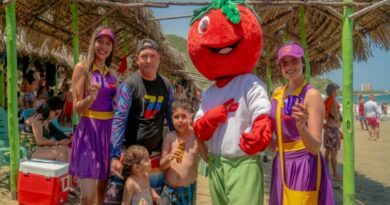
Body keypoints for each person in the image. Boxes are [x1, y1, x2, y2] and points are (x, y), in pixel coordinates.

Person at [105, 38, 174, 204]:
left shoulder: (166, 86)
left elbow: (170, 118)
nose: (148, 60)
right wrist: (114, 155)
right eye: (144, 56)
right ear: (137, 59)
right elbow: (119, 119)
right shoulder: (129, 85)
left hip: (153, 159)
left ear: (159, 58)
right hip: (128, 157)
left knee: (149, 199)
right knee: (116, 198)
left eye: (152, 56)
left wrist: (177, 145)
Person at [269, 42, 334, 204]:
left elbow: (314, 147)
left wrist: (301, 128)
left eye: (294, 61)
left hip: (303, 164)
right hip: (281, 163)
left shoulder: (311, 95)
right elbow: (274, 132)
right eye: (284, 62)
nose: (289, 66)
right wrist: (268, 140)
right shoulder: (277, 94)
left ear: (303, 63)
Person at [69, 26, 117, 205]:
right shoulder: (82, 68)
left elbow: (116, 105)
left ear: (112, 48)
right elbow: (77, 109)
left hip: (108, 134)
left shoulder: (113, 75)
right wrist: (91, 98)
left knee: (101, 193)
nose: (103, 47)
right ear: (93, 43)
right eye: (100, 42)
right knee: (87, 197)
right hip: (88, 132)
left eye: (108, 44)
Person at [159, 99, 208, 205]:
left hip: (187, 190)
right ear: (171, 118)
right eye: (176, 117)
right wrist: (169, 157)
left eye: (184, 116)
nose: (180, 120)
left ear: (191, 117)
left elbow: (207, 159)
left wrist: (201, 138)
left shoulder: (196, 136)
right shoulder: (170, 137)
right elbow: (162, 166)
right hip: (168, 190)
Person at [22, 97, 71, 162]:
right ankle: (57, 172)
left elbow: (57, 134)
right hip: (28, 149)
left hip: (38, 147)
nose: (56, 117)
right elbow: (39, 141)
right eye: (56, 114)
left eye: (58, 115)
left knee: (67, 149)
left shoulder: (46, 120)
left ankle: (67, 172)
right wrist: (58, 143)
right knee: (60, 153)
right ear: (49, 109)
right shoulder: (38, 118)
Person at [323, 83, 343, 181]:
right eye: (336, 90)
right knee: (334, 153)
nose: (337, 92)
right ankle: (335, 174)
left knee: (327, 151)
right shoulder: (334, 102)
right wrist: (341, 118)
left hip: (327, 129)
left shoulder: (326, 101)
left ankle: (327, 171)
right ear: (333, 91)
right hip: (333, 129)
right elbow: (336, 117)